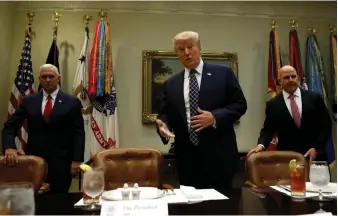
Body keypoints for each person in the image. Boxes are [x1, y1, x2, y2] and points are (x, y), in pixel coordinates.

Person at [156, 31, 247, 189]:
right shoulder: (171, 83)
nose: (187, 53)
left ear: (200, 48)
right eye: (181, 49)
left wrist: (214, 117)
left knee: (223, 210)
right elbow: (165, 114)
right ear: (176, 53)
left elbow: (240, 104)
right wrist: (163, 125)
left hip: (220, 159)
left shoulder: (223, 73)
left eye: (190, 47)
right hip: (187, 160)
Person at [2, 64, 85, 193]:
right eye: (44, 77)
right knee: (35, 203)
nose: (47, 80)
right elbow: (10, 126)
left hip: (62, 163)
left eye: (51, 76)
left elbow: (78, 133)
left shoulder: (72, 102)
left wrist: (76, 160)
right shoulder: (28, 101)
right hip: (34, 162)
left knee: (58, 203)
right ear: (39, 79)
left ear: (58, 78)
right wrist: (9, 147)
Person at [247, 65, 332, 161]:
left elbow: (326, 125)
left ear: (298, 78)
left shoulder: (314, 98)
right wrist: (261, 145)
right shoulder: (273, 104)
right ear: (279, 82)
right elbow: (268, 130)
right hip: (288, 159)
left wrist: (317, 148)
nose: (291, 80)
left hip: (315, 156)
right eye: (286, 77)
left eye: (293, 76)